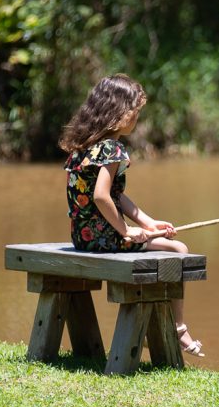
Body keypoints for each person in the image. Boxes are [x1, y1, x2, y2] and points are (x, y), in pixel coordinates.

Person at [59, 73, 204, 357]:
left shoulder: (82, 148)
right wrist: (126, 232)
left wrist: (147, 223)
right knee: (179, 249)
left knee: (165, 242)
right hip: (106, 239)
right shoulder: (112, 149)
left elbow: (113, 195)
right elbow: (101, 196)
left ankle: (168, 328)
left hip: (83, 238)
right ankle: (179, 327)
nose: (136, 118)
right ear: (117, 113)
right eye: (134, 112)